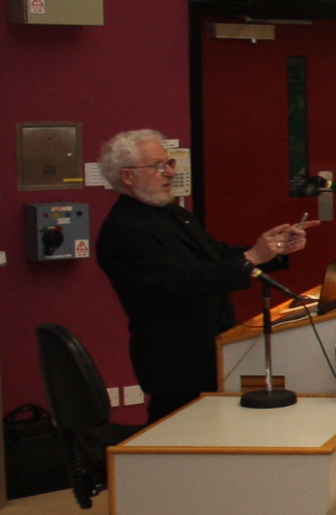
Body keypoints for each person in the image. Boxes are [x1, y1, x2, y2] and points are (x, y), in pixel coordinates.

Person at [91, 130, 311, 421]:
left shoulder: (175, 214)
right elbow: (183, 281)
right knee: (180, 440)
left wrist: (274, 249)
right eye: (158, 166)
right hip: (176, 360)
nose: (170, 171)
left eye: (169, 163)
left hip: (213, 346)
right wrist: (253, 257)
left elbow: (216, 254)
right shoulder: (124, 230)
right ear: (127, 177)